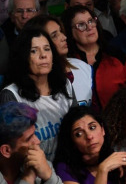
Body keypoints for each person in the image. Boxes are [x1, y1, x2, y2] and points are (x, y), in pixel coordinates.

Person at [0, 27, 76, 161]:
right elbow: (14, 149)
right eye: (34, 51)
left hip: (67, 167)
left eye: (47, 49)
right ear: (23, 57)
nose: (43, 55)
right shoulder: (11, 95)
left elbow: (78, 123)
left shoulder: (65, 84)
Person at [61, 5, 126, 110]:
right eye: (81, 25)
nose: (89, 27)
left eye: (91, 21)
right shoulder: (67, 63)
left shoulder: (117, 56)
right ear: (70, 32)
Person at [54, 106, 126, 184]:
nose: (89, 136)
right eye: (79, 134)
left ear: (102, 130)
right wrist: (103, 170)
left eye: (92, 127)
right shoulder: (65, 169)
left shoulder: (113, 157)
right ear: (72, 142)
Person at [24, 15, 93, 106]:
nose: (64, 37)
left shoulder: (83, 67)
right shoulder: (35, 81)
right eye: (54, 35)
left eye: (61, 31)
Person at [0, 101, 63, 184]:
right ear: (6, 150)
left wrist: (48, 176)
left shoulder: (40, 162)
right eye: (29, 139)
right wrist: (28, 177)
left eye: (34, 134)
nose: (38, 141)